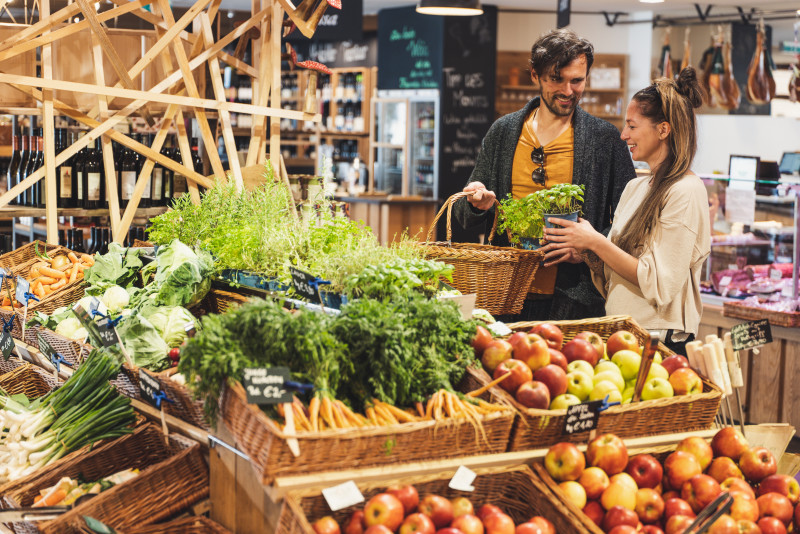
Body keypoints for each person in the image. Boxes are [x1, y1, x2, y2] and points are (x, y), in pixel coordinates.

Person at [454, 29, 636, 321]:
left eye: (577, 80)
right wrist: (477, 203)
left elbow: (631, 222)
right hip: (506, 293)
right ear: (535, 75)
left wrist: (589, 248)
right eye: (557, 79)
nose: (568, 91)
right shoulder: (503, 133)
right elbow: (465, 214)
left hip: (576, 298)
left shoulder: (604, 139)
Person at [543, 67, 711, 355]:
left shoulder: (685, 191)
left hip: (658, 343)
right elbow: (620, 270)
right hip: (622, 334)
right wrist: (586, 251)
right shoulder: (636, 187)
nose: (623, 135)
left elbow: (658, 283)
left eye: (632, 126)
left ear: (663, 129)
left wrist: (595, 240)